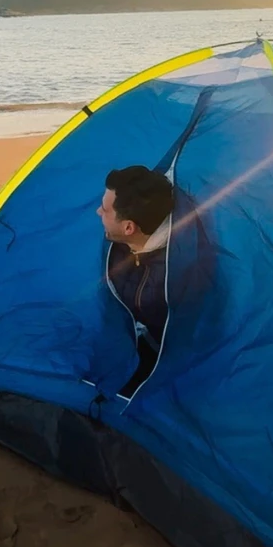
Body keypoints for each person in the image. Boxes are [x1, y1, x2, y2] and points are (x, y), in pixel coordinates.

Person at [97, 165, 174, 395]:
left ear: (129, 227)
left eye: (104, 209)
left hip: (163, 352)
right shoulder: (119, 242)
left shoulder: (173, 276)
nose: (97, 213)